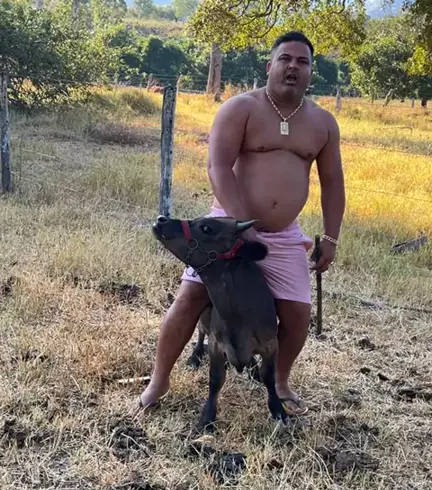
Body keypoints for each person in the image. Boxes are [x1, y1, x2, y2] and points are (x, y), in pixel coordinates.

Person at [133, 31, 345, 417]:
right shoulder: (241, 108)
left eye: (303, 61)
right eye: (285, 59)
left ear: (312, 71)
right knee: (191, 297)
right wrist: (239, 225)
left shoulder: (323, 123)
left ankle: (279, 380)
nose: (293, 67)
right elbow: (218, 166)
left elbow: (332, 182)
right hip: (226, 226)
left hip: (283, 235)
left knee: (298, 315)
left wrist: (330, 237)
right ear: (269, 66)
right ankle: (158, 381)